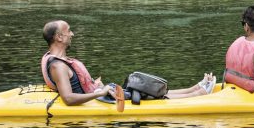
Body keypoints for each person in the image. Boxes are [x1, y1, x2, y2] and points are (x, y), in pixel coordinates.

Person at [41, 20, 214, 106]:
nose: (72, 34)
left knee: (138, 86)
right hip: (99, 100)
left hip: (100, 94)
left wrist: (96, 86)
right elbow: (69, 98)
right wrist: (100, 92)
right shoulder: (58, 65)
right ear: (59, 37)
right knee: (144, 93)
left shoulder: (58, 61)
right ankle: (198, 94)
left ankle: (194, 88)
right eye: (68, 31)